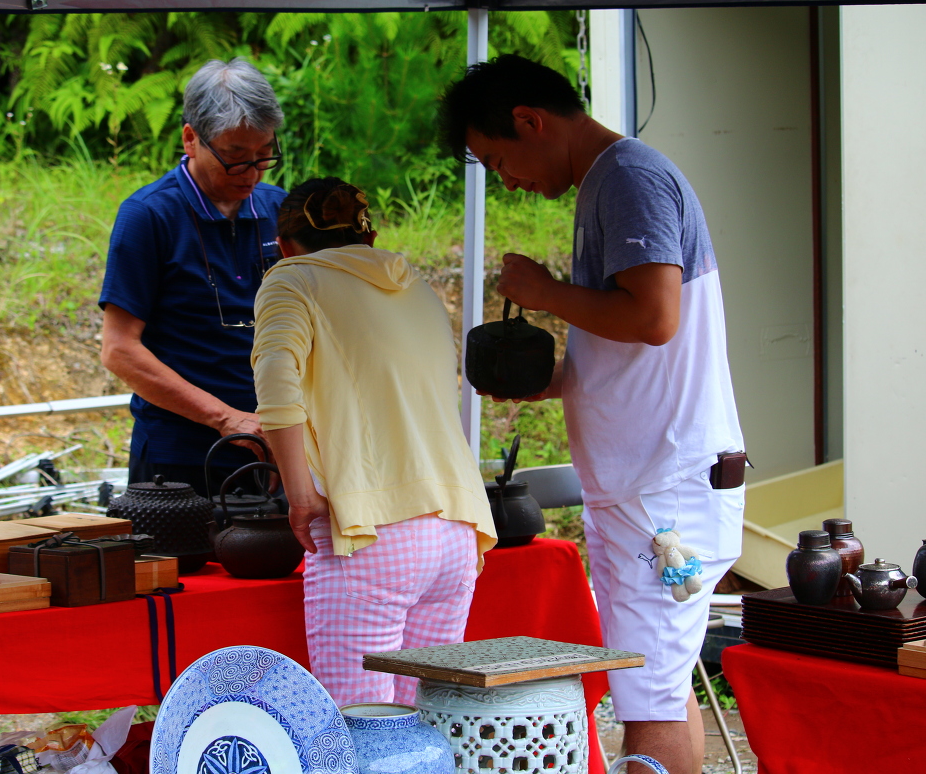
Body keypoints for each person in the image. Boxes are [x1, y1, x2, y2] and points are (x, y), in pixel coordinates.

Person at [440, 55, 745, 774]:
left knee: (651, 700)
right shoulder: (608, 183)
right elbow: (633, 342)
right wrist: (554, 382)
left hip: (663, 492)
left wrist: (544, 292)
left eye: (497, 159)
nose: (506, 179)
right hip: (645, 488)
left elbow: (655, 315)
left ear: (529, 121)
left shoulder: (628, 177)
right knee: (658, 687)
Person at [252, 177, 496, 707]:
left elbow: (276, 380)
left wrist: (299, 496)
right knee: (426, 728)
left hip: (374, 533)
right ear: (368, 236)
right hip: (456, 528)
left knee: (361, 731)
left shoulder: (292, 279)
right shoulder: (417, 287)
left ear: (285, 246)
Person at [99, 58, 286, 496]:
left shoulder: (281, 212)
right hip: (178, 457)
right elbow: (119, 349)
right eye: (235, 158)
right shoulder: (149, 216)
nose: (252, 174)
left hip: (274, 450)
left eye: (263, 155)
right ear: (190, 139)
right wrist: (225, 418)